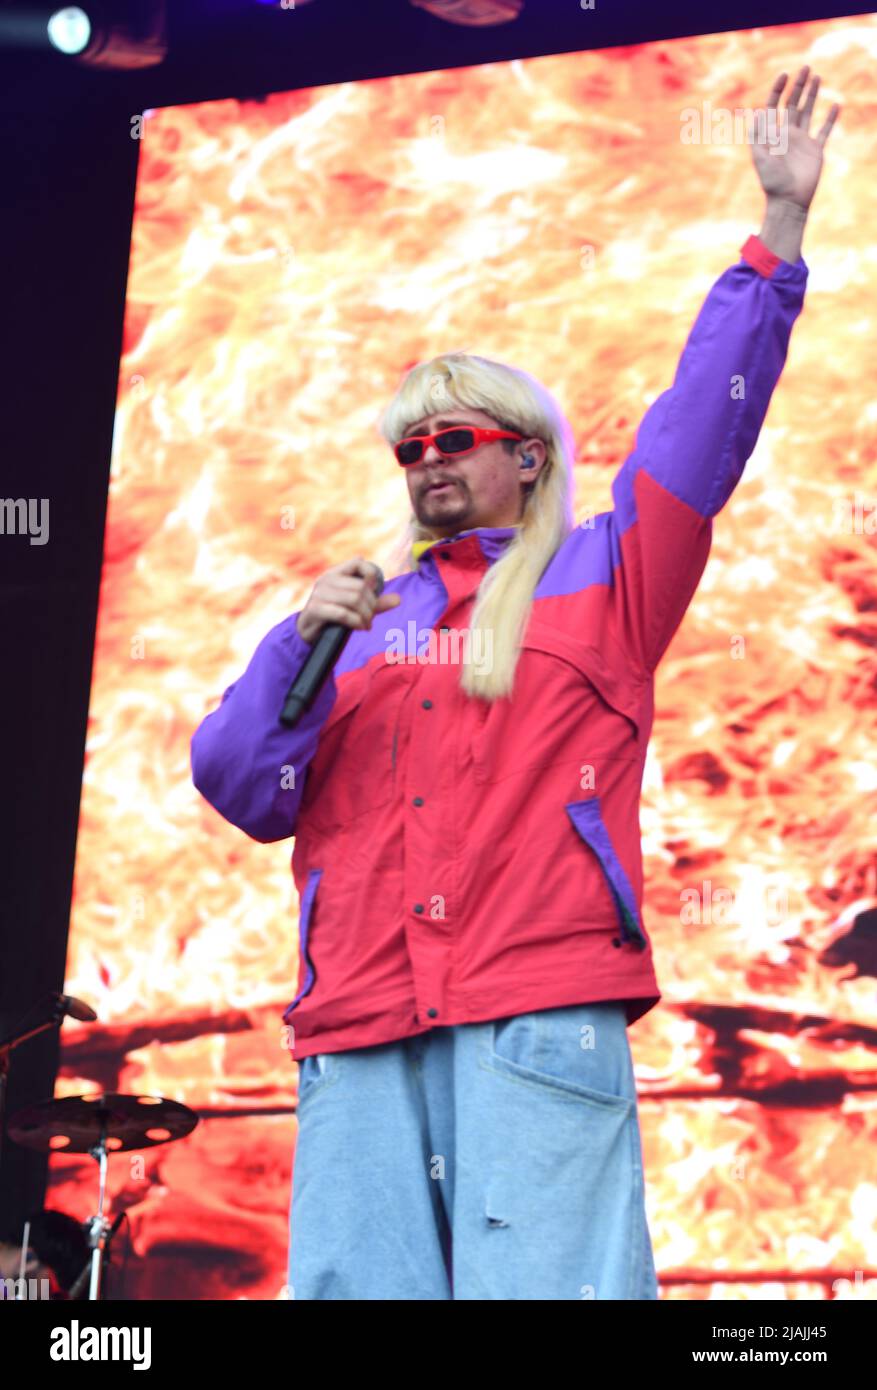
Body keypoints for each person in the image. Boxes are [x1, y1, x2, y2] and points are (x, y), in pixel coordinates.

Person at [191, 67, 839, 1299]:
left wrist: (779, 232)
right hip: (363, 1026)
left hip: (534, 1010)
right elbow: (238, 784)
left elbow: (702, 423)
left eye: (453, 440)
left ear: (526, 456)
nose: (425, 463)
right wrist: (295, 646)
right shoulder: (364, 621)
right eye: (408, 449)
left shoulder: (607, 572)